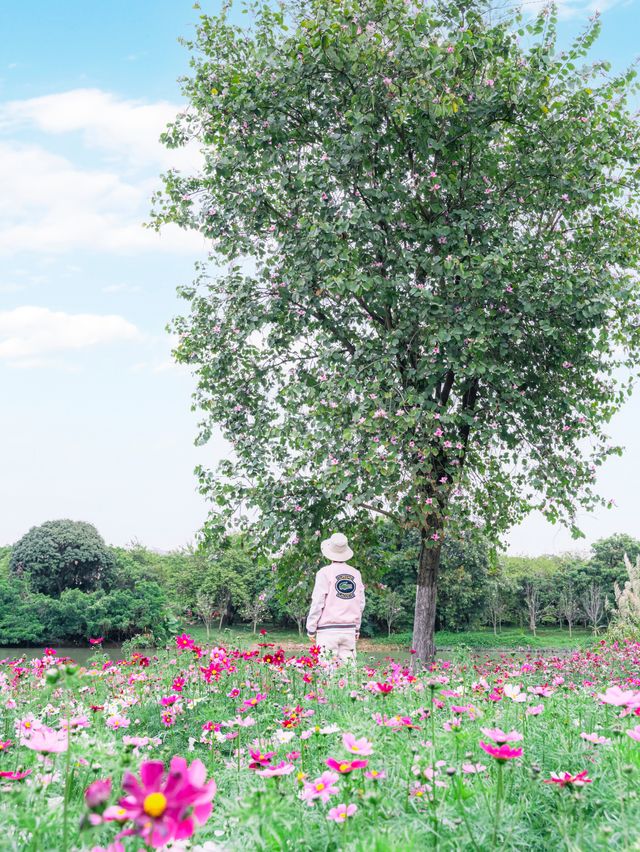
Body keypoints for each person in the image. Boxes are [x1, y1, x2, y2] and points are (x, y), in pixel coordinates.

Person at [306, 532, 365, 661]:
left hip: (328, 631)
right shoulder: (356, 574)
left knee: (326, 672)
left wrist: (311, 628)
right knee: (349, 672)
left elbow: (318, 602)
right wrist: (357, 629)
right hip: (349, 629)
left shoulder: (324, 573)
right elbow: (360, 604)